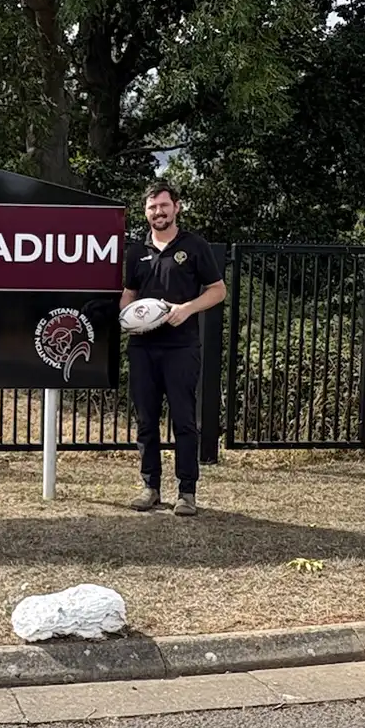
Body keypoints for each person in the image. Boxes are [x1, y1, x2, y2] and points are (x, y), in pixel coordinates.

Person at [121, 183, 226, 516]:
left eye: (164, 206)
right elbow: (129, 292)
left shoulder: (194, 247)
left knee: (183, 420)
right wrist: (125, 319)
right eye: (152, 208)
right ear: (146, 212)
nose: (158, 212)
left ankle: (187, 492)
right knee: (146, 421)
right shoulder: (136, 251)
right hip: (143, 348)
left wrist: (188, 308)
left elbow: (218, 290)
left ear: (177, 207)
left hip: (181, 348)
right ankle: (150, 487)